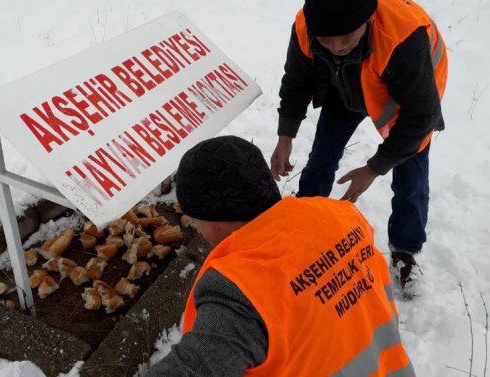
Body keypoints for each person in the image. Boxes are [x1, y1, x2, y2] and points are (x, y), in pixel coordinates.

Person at [146, 135, 414, 376]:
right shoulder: (343, 216)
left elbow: (195, 367)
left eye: (196, 219)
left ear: (217, 218)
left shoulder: (241, 289)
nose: (198, 229)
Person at [269, 0, 447, 289]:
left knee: (410, 177)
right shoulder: (307, 25)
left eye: (346, 37)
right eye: (325, 39)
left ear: (367, 20)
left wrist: (374, 168)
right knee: (321, 158)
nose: (336, 46)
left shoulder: (401, 36)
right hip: (345, 86)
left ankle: (405, 249)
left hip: (405, 98)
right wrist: (285, 135)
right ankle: (303, 223)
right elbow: (297, 80)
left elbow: (421, 116)